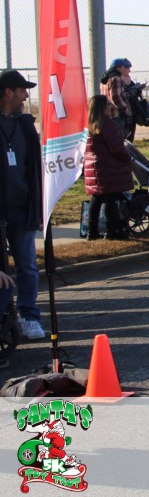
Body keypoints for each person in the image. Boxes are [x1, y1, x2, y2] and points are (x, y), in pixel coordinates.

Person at [0, 70, 45, 340]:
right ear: (8, 92)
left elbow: (33, 168)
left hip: (22, 209)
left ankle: (28, 316)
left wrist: (37, 207)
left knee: (27, 265)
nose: (26, 96)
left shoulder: (25, 125)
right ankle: (5, 321)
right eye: (22, 90)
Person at [84, 95, 133, 239]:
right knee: (111, 199)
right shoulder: (107, 124)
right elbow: (117, 148)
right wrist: (127, 158)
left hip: (94, 167)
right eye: (108, 105)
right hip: (109, 167)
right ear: (102, 108)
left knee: (97, 198)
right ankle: (112, 231)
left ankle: (92, 231)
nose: (111, 107)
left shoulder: (89, 125)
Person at [100, 58, 138, 140]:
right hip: (116, 114)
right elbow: (116, 97)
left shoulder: (105, 80)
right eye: (124, 67)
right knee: (119, 138)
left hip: (108, 113)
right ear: (118, 68)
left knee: (111, 138)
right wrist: (125, 109)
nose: (125, 69)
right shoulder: (116, 78)